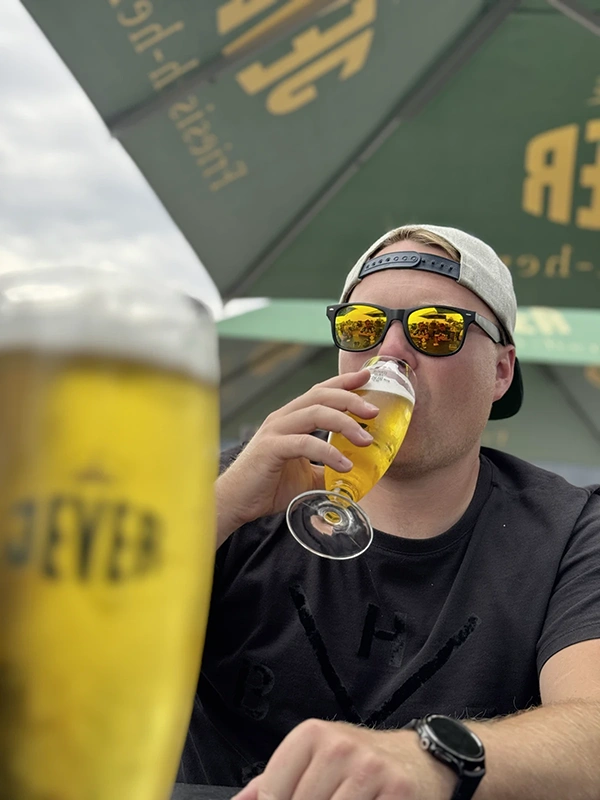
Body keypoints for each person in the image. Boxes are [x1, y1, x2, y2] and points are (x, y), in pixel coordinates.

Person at [178, 224, 600, 799]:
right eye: (363, 326)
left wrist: (434, 760)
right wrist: (221, 511)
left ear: (501, 372)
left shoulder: (570, 531)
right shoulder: (232, 485)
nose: (390, 352)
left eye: (435, 329)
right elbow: (65, 654)